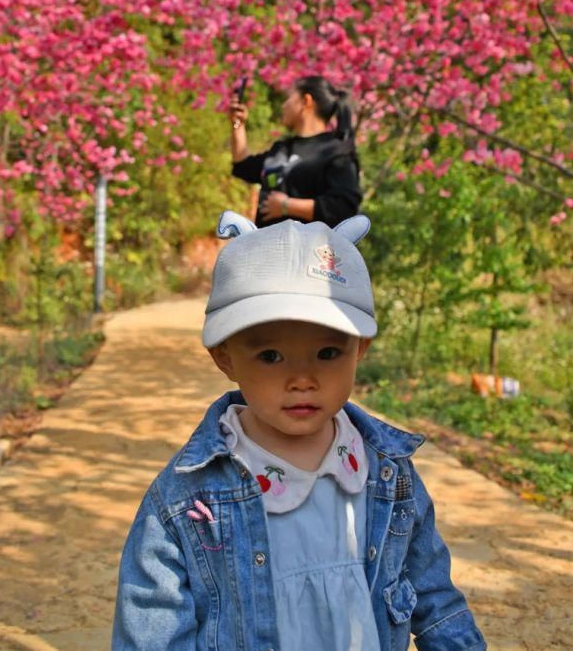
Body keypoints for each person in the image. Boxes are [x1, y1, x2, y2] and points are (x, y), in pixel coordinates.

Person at [112, 211, 487, 651]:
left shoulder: (386, 474)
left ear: (360, 348)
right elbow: (153, 627)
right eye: (271, 356)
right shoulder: (188, 498)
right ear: (225, 357)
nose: (302, 379)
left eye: (328, 352)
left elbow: (434, 598)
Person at [229, 74, 361, 227]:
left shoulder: (336, 151)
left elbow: (343, 208)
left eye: (288, 99)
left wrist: (287, 206)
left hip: (309, 249)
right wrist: (237, 124)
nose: (283, 105)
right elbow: (243, 165)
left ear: (306, 101)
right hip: (268, 248)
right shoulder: (281, 149)